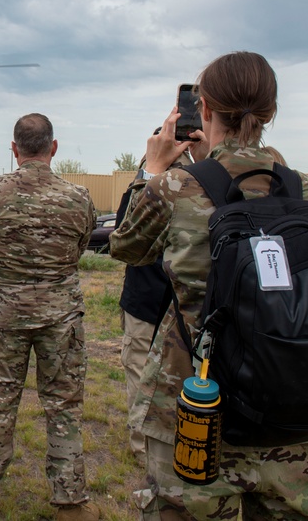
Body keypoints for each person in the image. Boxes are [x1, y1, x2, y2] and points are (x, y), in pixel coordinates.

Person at [109, 51, 308, 519]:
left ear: (204, 109)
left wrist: (152, 171)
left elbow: (127, 248)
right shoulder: (302, 188)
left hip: (194, 401)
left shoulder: (175, 187)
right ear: (270, 111)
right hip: (288, 396)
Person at [0, 113, 99, 521]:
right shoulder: (78, 197)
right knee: (63, 407)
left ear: (14, 148)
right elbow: (79, 248)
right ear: (53, 148)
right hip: (60, 318)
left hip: (4, 315)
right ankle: (70, 505)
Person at [116, 149, 190, 464]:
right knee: (177, 373)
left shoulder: (150, 187)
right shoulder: (201, 185)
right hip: (176, 300)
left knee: (139, 370)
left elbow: (123, 235)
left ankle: (143, 444)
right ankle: (161, 441)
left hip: (151, 298)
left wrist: (146, 174)